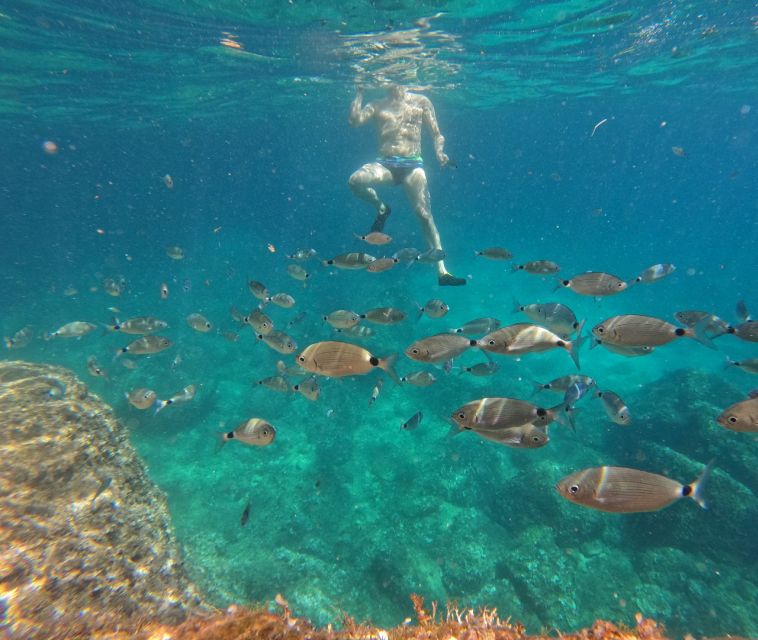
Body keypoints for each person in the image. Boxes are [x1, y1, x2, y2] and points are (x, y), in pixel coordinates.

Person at [348, 84, 466, 286]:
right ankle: (381, 208)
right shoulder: (376, 104)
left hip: (412, 165)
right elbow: (354, 121)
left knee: (424, 215)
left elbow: (437, 133)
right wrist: (359, 93)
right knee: (355, 181)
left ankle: (442, 271)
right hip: (385, 163)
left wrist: (440, 152)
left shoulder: (421, 101)